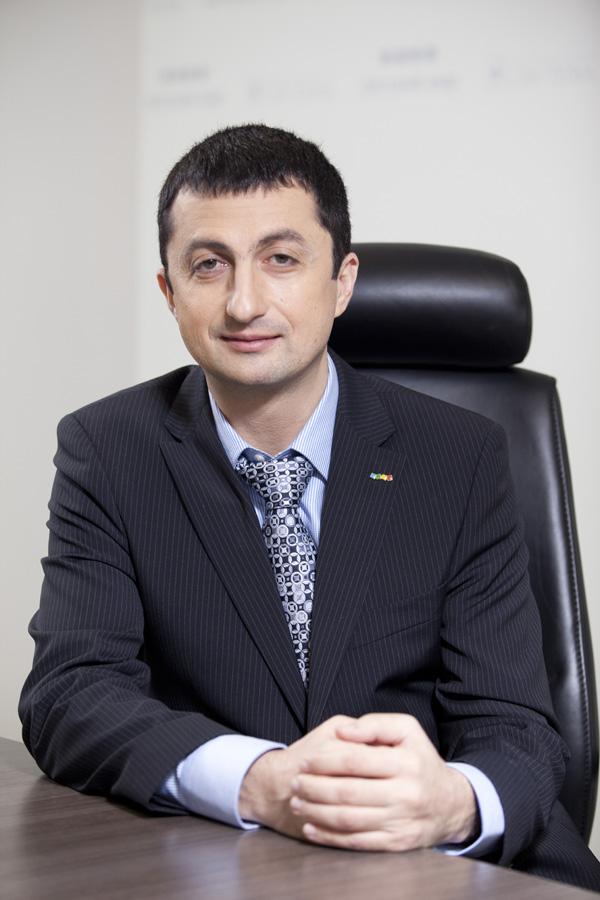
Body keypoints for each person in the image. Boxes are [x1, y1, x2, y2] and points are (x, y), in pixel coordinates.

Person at [19, 124, 600, 888]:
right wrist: (259, 781)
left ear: (342, 280)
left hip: (439, 865)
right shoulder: (109, 449)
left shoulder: (460, 456)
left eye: (282, 259)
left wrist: (451, 805)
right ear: (169, 291)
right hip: (222, 860)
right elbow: (71, 693)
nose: (244, 302)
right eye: (208, 265)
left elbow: (515, 726)